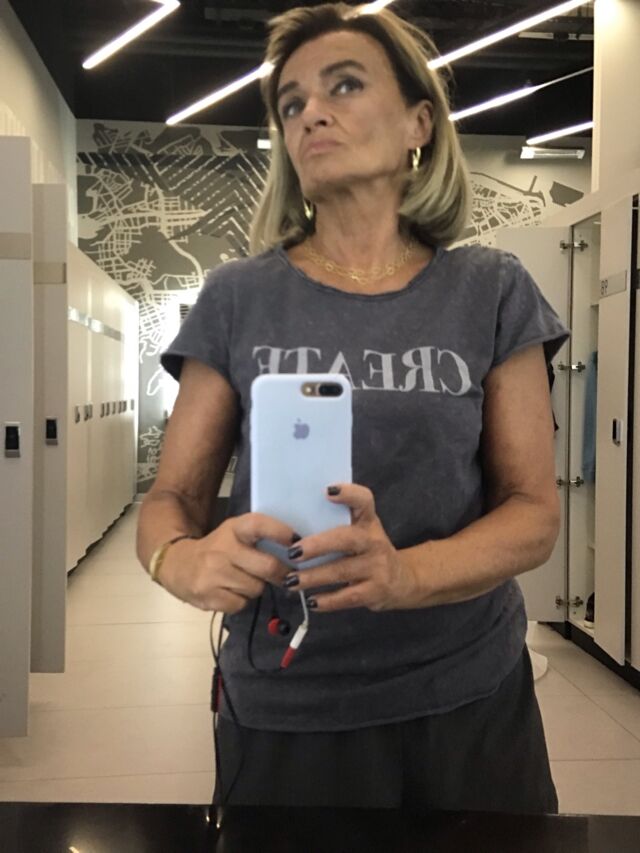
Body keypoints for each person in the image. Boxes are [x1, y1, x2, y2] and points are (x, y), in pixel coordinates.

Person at [136, 1, 569, 814]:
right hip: (289, 697)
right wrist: (180, 561)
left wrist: (405, 575)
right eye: (291, 103)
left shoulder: (491, 290)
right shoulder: (238, 297)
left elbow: (533, 513)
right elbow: (171, 500)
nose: (311, 113)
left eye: (343, 85)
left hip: (466, 694)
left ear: (419, 124)